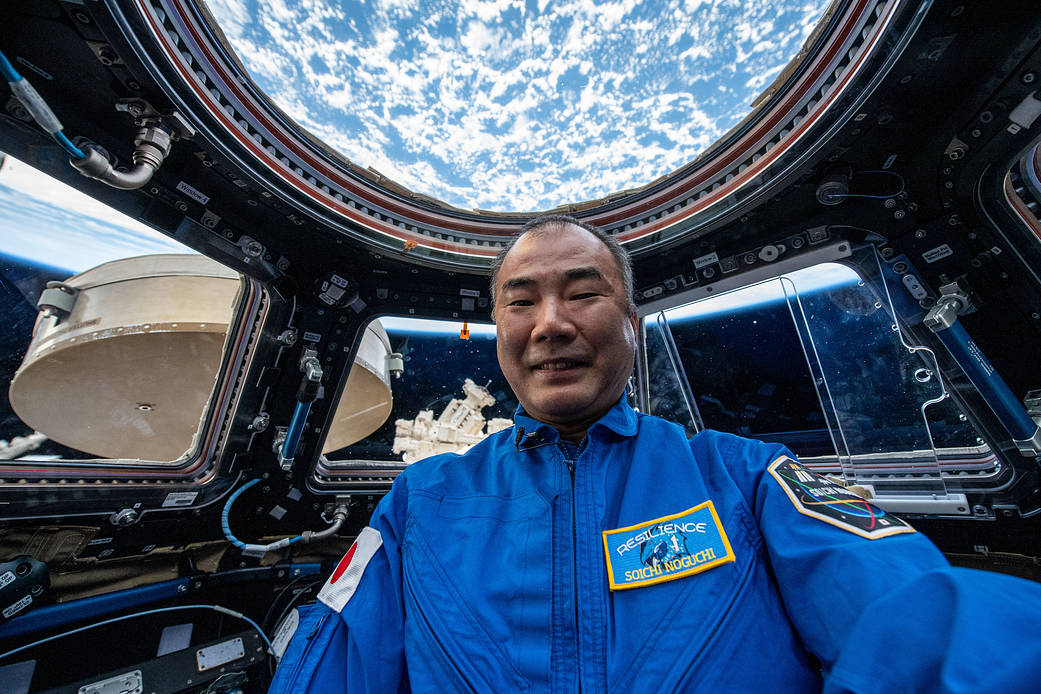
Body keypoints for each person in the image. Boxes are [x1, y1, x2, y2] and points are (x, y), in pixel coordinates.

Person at [270, 215, 1041, 693]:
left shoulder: (748, 476)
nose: (549, 323)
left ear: (631, 323)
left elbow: (909, 614)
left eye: (582, 292)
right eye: (520, 300)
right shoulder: (417, 502)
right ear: (500, 331)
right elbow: (332, 665)